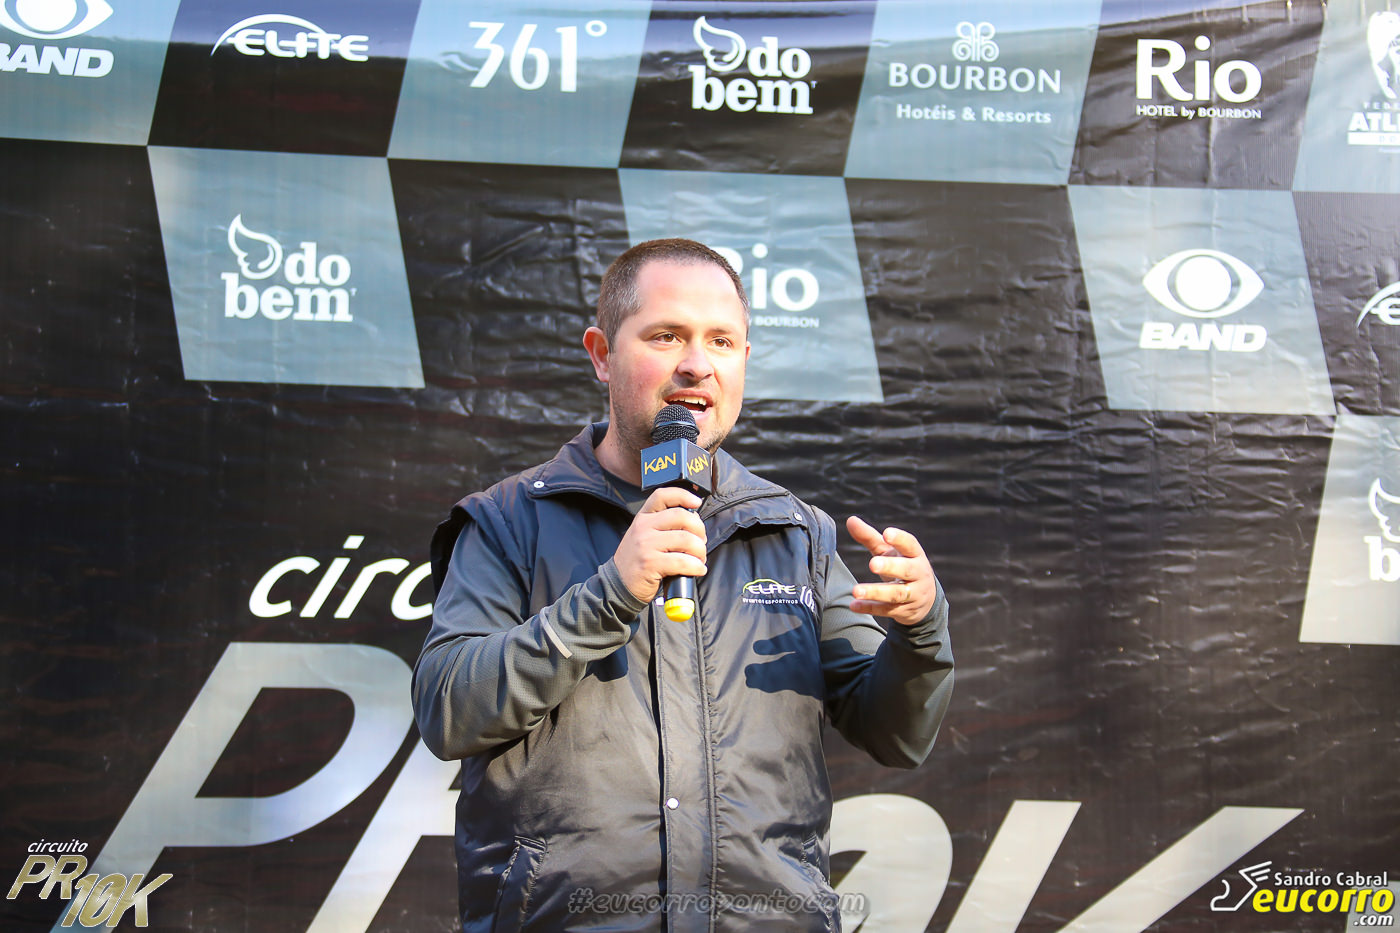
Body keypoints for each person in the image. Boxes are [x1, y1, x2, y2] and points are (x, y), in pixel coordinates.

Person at [412, 238, 954, 932]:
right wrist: (610, 595)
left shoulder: (795, 533)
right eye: (666, 336)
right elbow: (448, 710)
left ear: (744, 360)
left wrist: (919, 630)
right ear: (602, 354)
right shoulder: (508, 521)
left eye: (721, 341)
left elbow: (898, 736)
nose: (697, 363)